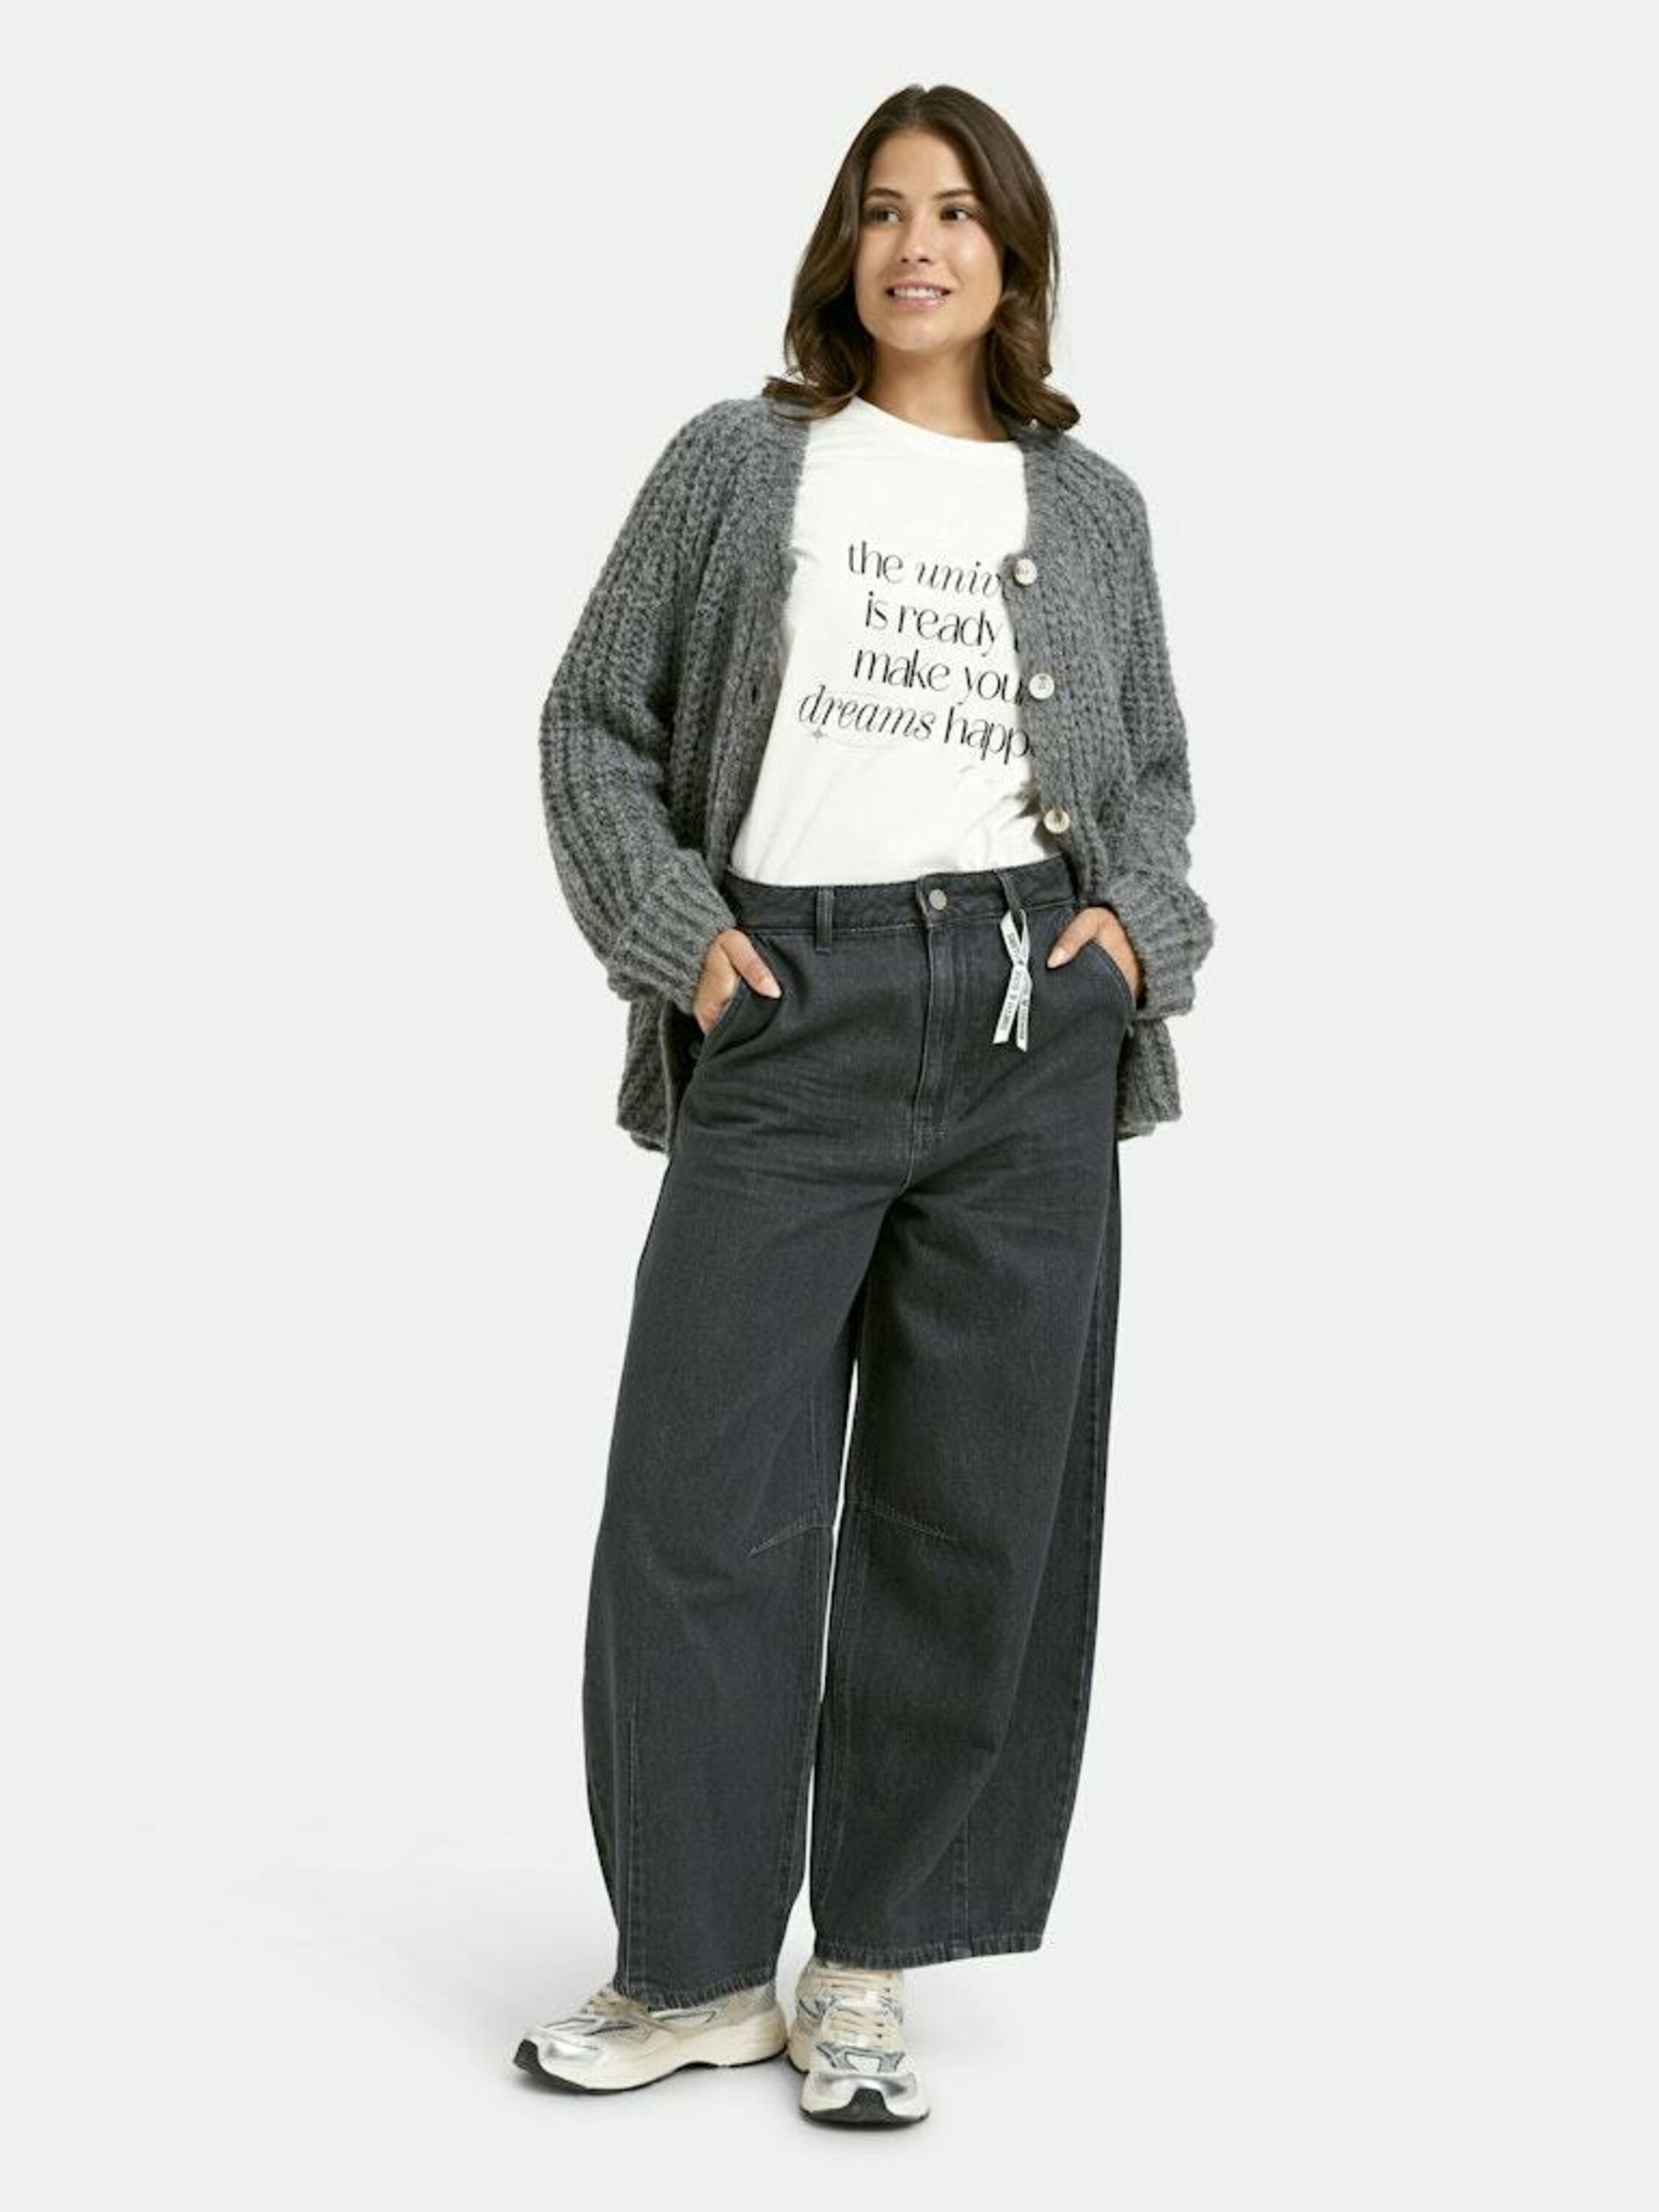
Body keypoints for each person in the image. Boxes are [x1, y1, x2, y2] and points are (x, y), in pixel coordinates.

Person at [515, 83, 1214, 2129]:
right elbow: (594, 720)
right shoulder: (740, 464)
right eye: (885, 210)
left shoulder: (1092, 509)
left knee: (969, 1509)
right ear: (843, 248)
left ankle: (871, 1965)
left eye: (959, 212)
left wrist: (1134, 939)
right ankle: (690, 1969)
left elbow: (1149, 782)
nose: (920, 246)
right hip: (789, 1010)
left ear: (1013, 254)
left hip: (1024, 1022)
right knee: (697, 1509)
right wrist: (677, 938)